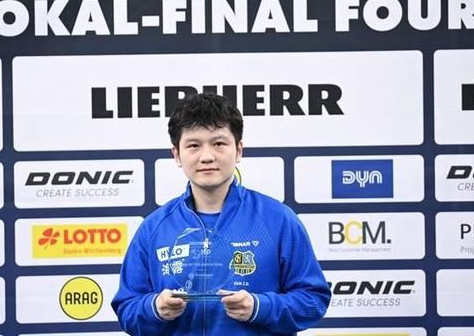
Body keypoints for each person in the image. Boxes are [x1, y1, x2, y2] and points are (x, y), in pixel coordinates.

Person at [111, 93, 331, 335]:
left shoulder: (278, 220)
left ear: (238, 150)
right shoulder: (154, 228)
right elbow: (127, 308)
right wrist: (154, 308)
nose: (207, 157)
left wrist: (260, 307)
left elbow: (314, 299)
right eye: (193, 145)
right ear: (176, 154)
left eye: (218, 143)